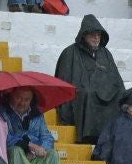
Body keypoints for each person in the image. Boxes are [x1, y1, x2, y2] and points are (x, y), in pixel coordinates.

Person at [53, 15, 125, 144]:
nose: (96, 38)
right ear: (84, 35)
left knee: (121, 95)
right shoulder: (69, 53)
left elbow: (116, 79)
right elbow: (62, 82)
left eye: (99, 35)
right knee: (87, 94)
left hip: (105, 94)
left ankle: (110, 138)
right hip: (81, 95)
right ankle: (87, 137)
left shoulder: (106, 53)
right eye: (93, 35)